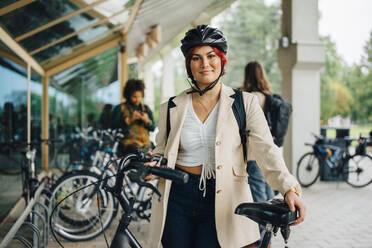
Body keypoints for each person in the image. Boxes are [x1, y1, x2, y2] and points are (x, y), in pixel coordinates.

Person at [147, 25, 305, 248]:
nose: (204, 64)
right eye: (196, 58)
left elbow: (267, 150)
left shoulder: (244, 102)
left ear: (222, 60)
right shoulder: (171, 107)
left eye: (211, 56)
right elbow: (162, 150)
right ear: (188, 65)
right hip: (177, 197)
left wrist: (289, 188)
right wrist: (153, 163)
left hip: (222, 197)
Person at [242, 61, 277, 246]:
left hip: (254, 155)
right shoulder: (268, 97)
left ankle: (260, 242)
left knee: (258, 200)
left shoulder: (249, 98)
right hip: (267, 154)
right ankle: (266, 240)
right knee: (267, 196)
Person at [112, 79, 155, 155]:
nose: (137, 99)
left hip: (146, 144)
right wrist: (129, 120)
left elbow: (153, 128)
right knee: (140, 152)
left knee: (158, 154)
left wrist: (147, 121)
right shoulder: (120, 108)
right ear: (128, 95)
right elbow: (113, 127)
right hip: (128, 144)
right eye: (134, 97)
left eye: (139, 96)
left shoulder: (146, 109)